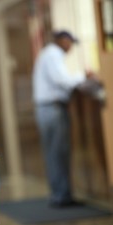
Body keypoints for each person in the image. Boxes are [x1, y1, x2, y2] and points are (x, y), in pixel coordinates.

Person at [32, 30, 94, 208]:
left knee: (53, 153)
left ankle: (59, 194)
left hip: (47, 109)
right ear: (61, 40)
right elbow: (63, 80)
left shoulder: (47, 54)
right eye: (69, 42)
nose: (71, 47)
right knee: (58, 153)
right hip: (53, 109)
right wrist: (85, 76)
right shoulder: (53, 54)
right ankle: (61, 196)